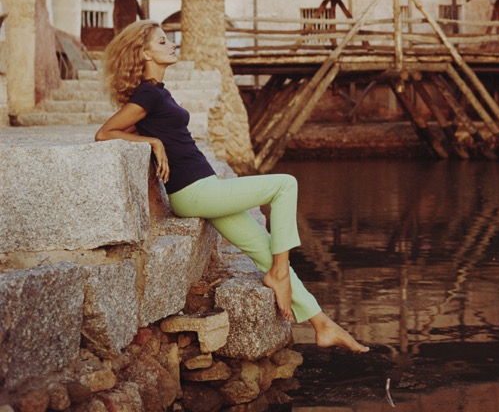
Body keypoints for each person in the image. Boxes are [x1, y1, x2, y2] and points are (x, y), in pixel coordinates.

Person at [95, 19, 368, 353]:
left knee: (265, 247)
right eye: (163, 41)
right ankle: (280, 274)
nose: (172, 44)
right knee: (285, 184)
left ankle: (322, 324)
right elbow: (105, 133)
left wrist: (152, 136)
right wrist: (153, 142)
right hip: (194, 193)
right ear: (144, 52)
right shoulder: (148, 94)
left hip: (204, 188)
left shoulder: (158, 91)